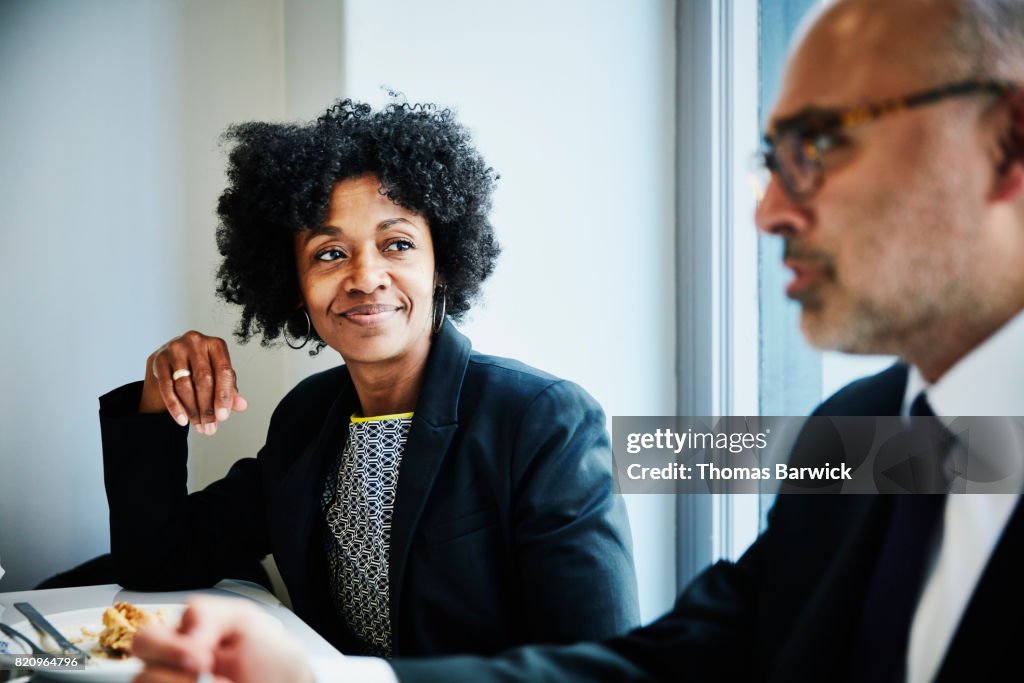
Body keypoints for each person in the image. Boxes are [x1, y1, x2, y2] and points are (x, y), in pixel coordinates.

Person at [131, 0, 1024, 680]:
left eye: (823, 142)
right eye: (330, 252)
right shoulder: (866, 428)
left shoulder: (544, 419)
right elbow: (663, 661)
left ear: (1009, 139)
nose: (767, 210)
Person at [100, 99, 639, 661]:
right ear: (295, 285)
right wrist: (159, 397)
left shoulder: (543, 420)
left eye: (397, 244)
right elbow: (159, 562)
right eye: (330, 253)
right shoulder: (307, 418)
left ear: (443, 263)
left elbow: (599, 664)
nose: (364, 278)